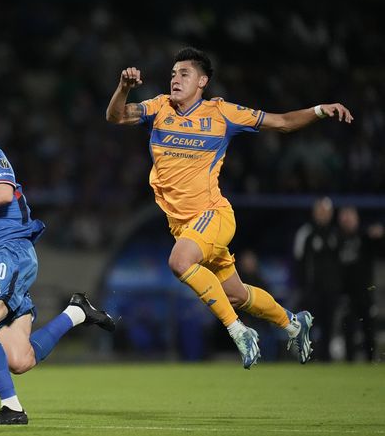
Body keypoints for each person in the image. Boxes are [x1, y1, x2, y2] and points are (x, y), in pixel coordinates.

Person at [105, 47, 354, 368]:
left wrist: (320, 109)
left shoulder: (222, 113)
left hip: (214, 215)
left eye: (184, 73)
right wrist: (124, 88)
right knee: (235, 294)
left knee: (180, 261)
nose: (175, 79)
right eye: (172, 73)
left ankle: (239, 331)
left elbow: (282, 122)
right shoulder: (158, 108)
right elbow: (115, 116)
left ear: (202, 81)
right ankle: (293, 322)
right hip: (185, 227)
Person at [0, 99, 115, 425]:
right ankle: (76, 313)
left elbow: (1, 194)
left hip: (12, 251)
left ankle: (12, 409)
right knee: (20, 360)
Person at [293, 197, 343, 361]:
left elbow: (342, 263)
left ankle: (326, 359)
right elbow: (298, 261)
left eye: (326, 212)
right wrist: (303, 287)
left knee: (328, 326)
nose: (323, 215)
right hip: (311, 291)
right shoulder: (306, 233)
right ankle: (307, 357)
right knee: (309, 326)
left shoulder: (336, 235)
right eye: (320, 211)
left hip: (331, 290)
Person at [336, 206, 383, 362]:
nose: (348, 221)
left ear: (357, 219)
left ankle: (370, 360)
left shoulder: (365, 238)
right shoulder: (336, 239)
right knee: (348, 329)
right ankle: (349, 362)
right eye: (345, 217)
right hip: (346, 294)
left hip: (365, 292)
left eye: (350, 217)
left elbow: (381, 253)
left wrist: (380, 237)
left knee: (368, 329)